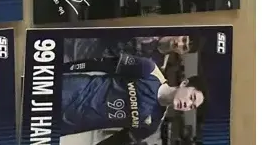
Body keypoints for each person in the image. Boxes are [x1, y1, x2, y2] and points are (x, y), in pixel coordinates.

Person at [60, 54, 203, 138]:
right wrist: (61, 69)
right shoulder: (148, 70)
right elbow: (99, 63)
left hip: (69, 124)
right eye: (192, 98)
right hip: (72, 91)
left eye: (192, 107)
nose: (187, 104)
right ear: (184, 83)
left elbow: (116, 142)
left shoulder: (153, 124)